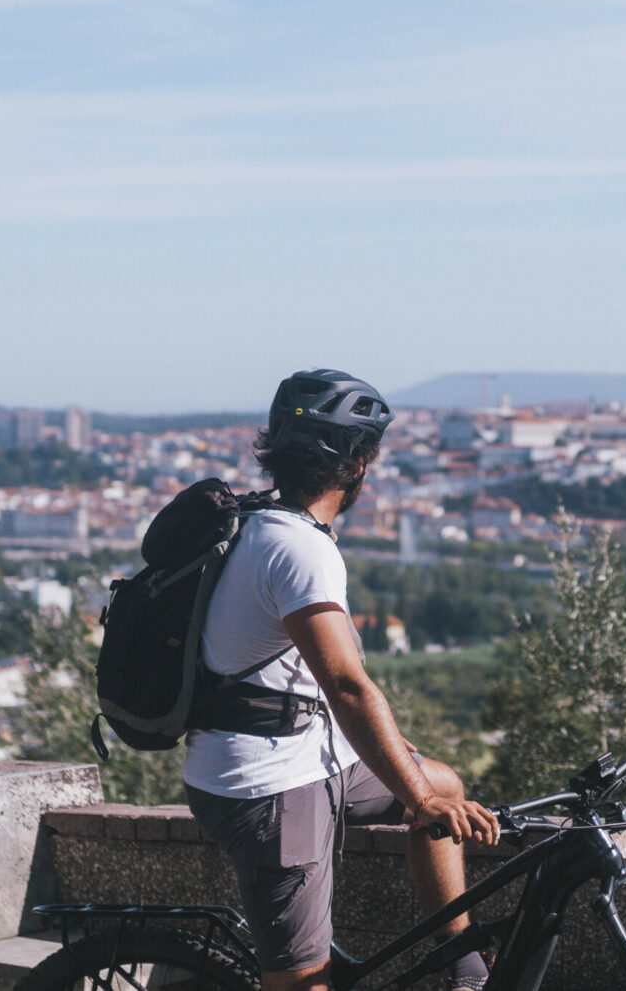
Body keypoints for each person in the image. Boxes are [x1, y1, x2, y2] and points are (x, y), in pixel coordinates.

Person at [183, 368, 500, 991]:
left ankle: (461, 965)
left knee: (441, 781)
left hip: (295, 755)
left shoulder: (255, 521)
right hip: (267, 785)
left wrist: (424, 791)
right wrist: (419, 801)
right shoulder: (300, 550)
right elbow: (347, 684)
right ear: (357, 467)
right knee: (306, 984)